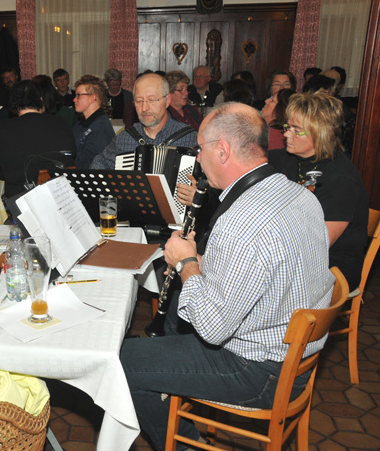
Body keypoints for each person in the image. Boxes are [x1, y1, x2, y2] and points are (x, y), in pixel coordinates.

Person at [121, 102, 334, 451]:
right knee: (173, 322)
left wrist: (187, 263)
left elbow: (212, 327)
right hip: (296, 359)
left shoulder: (239, 220)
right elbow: (264, 269)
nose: (198, 159)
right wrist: (202, 261)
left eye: (199, 149)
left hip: (260, 372)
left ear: (222, 150)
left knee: (123, 361)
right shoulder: (297, 192)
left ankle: (185, 446)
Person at [269, 92, 368, 290]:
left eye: (297, 130)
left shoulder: (341, 178)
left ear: (321, 134)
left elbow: (318, 244)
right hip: (291, 253)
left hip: (333, 267)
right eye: (288, 127)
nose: (286, 134)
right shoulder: (281, 158)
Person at [0, 80, 76, 199]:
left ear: (14, 103)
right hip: (61, 196)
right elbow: (72, 155)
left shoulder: (1, 129)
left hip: (21, 200)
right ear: (41, 99)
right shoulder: (60, 123)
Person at [91, 73, 196, 170]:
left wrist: (196, 188)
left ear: (167, 100)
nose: (145, 108)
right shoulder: (126, 138)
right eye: (139, 101)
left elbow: (208, 180)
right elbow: (99, 164)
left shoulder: (190, 139)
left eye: (152, 100)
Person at [72, 75, 115, 169]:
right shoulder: (80, 124)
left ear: (93, 98)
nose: (74, 99)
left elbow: (89, 163)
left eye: (79, 95)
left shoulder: (100, 127)